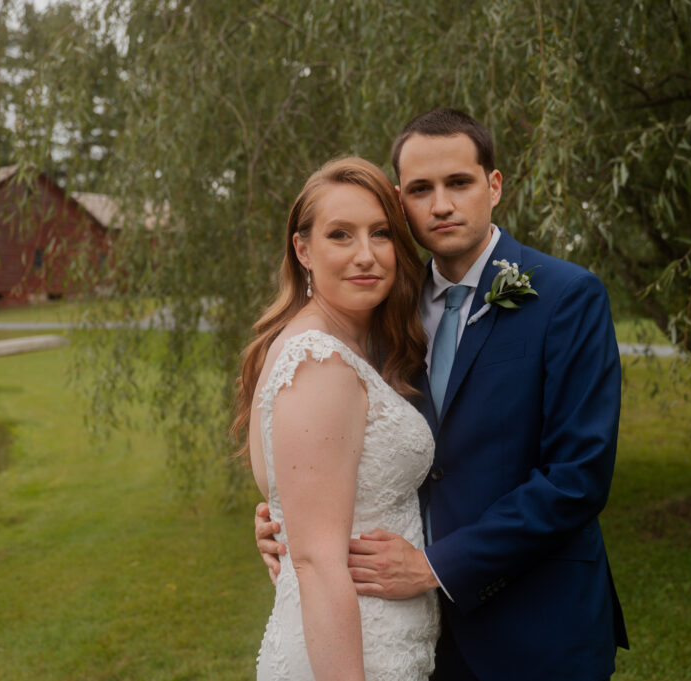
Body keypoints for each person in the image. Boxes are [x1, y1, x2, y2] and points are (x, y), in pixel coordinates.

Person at [258, 109, 628, 680]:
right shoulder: (386, 313)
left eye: (459, 183)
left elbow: (577, 478)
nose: (442, 205)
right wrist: (285, 516)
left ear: (493, 185)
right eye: (422, 190)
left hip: (538, 625)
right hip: (416, 636)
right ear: (401, 199)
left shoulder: (567, 297)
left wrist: (435, 566)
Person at [234, 157, 439, 680]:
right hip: (353, 657)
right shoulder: (317, 360)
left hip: (385, 644)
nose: (366, 256)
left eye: (382, 234)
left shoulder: (349, 346)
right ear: (303, 249)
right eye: (341, 235)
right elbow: (318, 564)